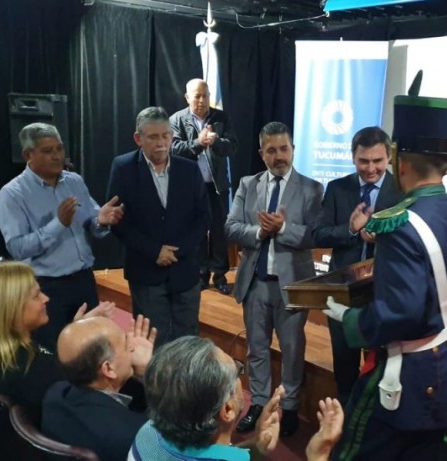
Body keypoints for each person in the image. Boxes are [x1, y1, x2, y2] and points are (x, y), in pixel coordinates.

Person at [322, 78, 447, 460]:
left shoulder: (399, 225)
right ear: (446, 164)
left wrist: (352, 320)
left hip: (410, 369)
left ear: (400, 162)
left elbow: (400, 312)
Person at [225, 121, 323, 437]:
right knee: (256, 348)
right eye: (271, 150)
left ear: (293, 149)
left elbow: (314, 235)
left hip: (292, 285)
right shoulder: (247, 184)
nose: (279, 156)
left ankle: (290, 405)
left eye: (284, 149)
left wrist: (282, 229)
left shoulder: (312, 189)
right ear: (261, 153)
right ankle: (258, 403)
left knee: (292, 349)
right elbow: (230, 227)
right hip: (255, 283)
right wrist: (258, 232)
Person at [0, 122, 124, 350]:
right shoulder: (12, 195)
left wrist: (102, 220)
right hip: (46, 289)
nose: (57, 156)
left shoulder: (74, 181)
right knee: (56, 353)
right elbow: (17, 249)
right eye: (47, 151)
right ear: (28, 155)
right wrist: (58, 224)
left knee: (93, 350)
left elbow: (92, 223)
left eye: (59, 148)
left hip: (84, 281)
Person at [129, 335, 346, 461]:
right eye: (237, 371)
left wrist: (256, 446)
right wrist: (318, 454)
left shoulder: (147, 433)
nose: (241, 377)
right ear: (228, 409)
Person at [311, 126, 401, 405]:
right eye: (364, 161)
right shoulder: (337, 188)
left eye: (377, 161)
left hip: (384, 292)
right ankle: (346, 417)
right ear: (352, 157)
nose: (371, 168)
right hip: (343, 293)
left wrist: (382, 236)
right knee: (345, 367)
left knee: (381, 367)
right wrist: (350, 230)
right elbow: (319, 234)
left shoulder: (402, 191)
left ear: (389, 157)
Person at [107, 106, 209, 347]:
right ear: (138, 138)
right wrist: (155, 251)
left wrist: (176, 252)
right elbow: (118, 221)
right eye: (153, 137)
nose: (161, 143)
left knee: (188, 344)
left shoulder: (189, 169)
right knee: (153, 343)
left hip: (185, 272)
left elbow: (203, 218)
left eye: (165, 136)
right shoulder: (123, 168)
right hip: (146, 272)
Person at [0, 262, 114, 423]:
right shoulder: (34, 375)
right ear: (12, 310)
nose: (46, 298)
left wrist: (74, 333)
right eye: (36, 296)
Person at [42, 315, 156, 461]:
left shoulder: (55, 395)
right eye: (126, 345)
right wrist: (149, 372)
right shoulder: (134, 435)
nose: (133, 348)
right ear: (108, 368)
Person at [170, 79, 239, 294]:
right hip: (191, 188)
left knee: (219, 231)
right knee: (197, 232)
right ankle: (200, 274)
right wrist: (199, 143)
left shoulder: (221, 117)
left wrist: (216, 141)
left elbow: (232, 146)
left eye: (205, 96)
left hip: (217, 185)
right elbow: (174, 149)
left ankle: (219, 275)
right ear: (187, 97)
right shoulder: (177, 120)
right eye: (197, 96)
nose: (202, 100)